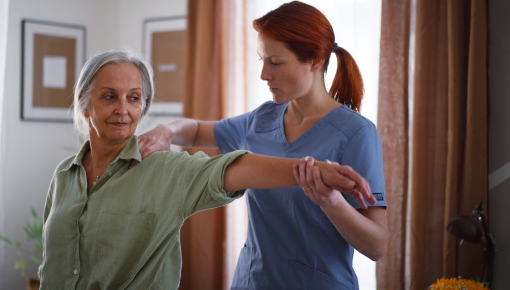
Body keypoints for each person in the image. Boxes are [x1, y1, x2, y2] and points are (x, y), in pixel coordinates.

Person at [37, 49, 376, 289]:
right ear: (84, 105)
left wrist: (312, 169)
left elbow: (237, 167)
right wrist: (171, 130)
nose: (123, 109)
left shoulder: (163, 170)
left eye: (134, 98)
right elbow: (52, 264)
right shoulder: (65, 175)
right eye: (109, 97)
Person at [137, 1, 389, 289]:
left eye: (276, 62)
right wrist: (164, 131)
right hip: (251, 281)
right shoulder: (262, 119)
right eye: (262, 61)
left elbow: (377, 246)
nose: (264, 74)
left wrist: (331, 203)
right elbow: (195, 132)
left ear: (316, 61)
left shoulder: (356, 133)